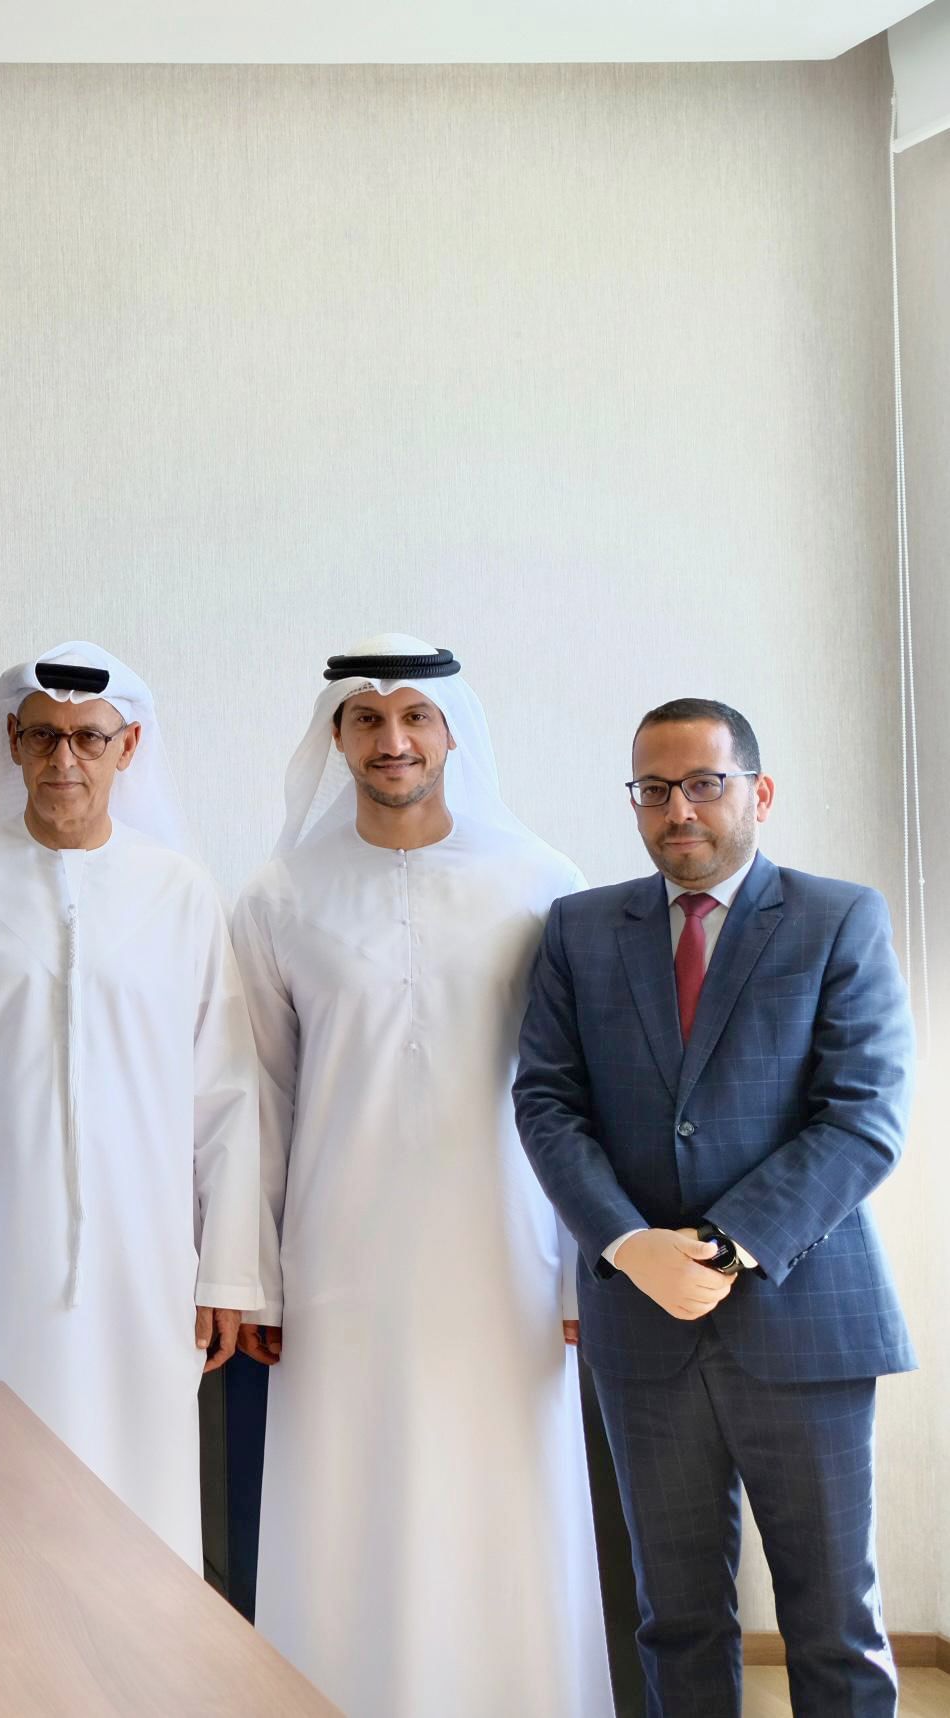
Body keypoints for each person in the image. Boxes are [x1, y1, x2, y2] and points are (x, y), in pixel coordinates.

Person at [226, 637, 609, 1715]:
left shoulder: (541, 883)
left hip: (507, 1256)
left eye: (414, 717)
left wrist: (581, 1269)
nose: (391, 740)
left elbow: (585, 1094)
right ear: (337, 736)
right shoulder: (279, 895)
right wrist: (253, 1275)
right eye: (366, 719)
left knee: (504, 1500)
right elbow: (257, 1095)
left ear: (451, 730)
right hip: (339, 1262)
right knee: (348, 1500)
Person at [516, 697, 915, 1716]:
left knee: (835, 1623)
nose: (677, 809)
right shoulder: (579, 928)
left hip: (806, 1319)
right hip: (640, 1328)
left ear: (759, 792)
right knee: (676, 1619)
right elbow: (547, 1102)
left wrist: (726, 1243)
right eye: (654, 788)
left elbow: (865, 1117)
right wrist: (624, 1241)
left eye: (703, 783)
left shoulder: (839, 917)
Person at [0, 643, 259, 1567]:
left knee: (133, 1518)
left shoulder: (181, 893)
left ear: (129, 748)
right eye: (42, 737)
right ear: (12, 742)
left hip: (142, 1268)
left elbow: (228, 1094)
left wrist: (228, 1272)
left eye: (88, 738)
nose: (64, 760)